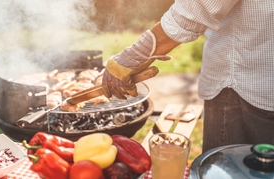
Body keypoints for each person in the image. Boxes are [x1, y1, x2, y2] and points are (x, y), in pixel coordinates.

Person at [101, 0, 274, 152]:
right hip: (263, 84)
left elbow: (194, 10)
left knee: (228, 169)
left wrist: (131, 57)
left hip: (242, 86)